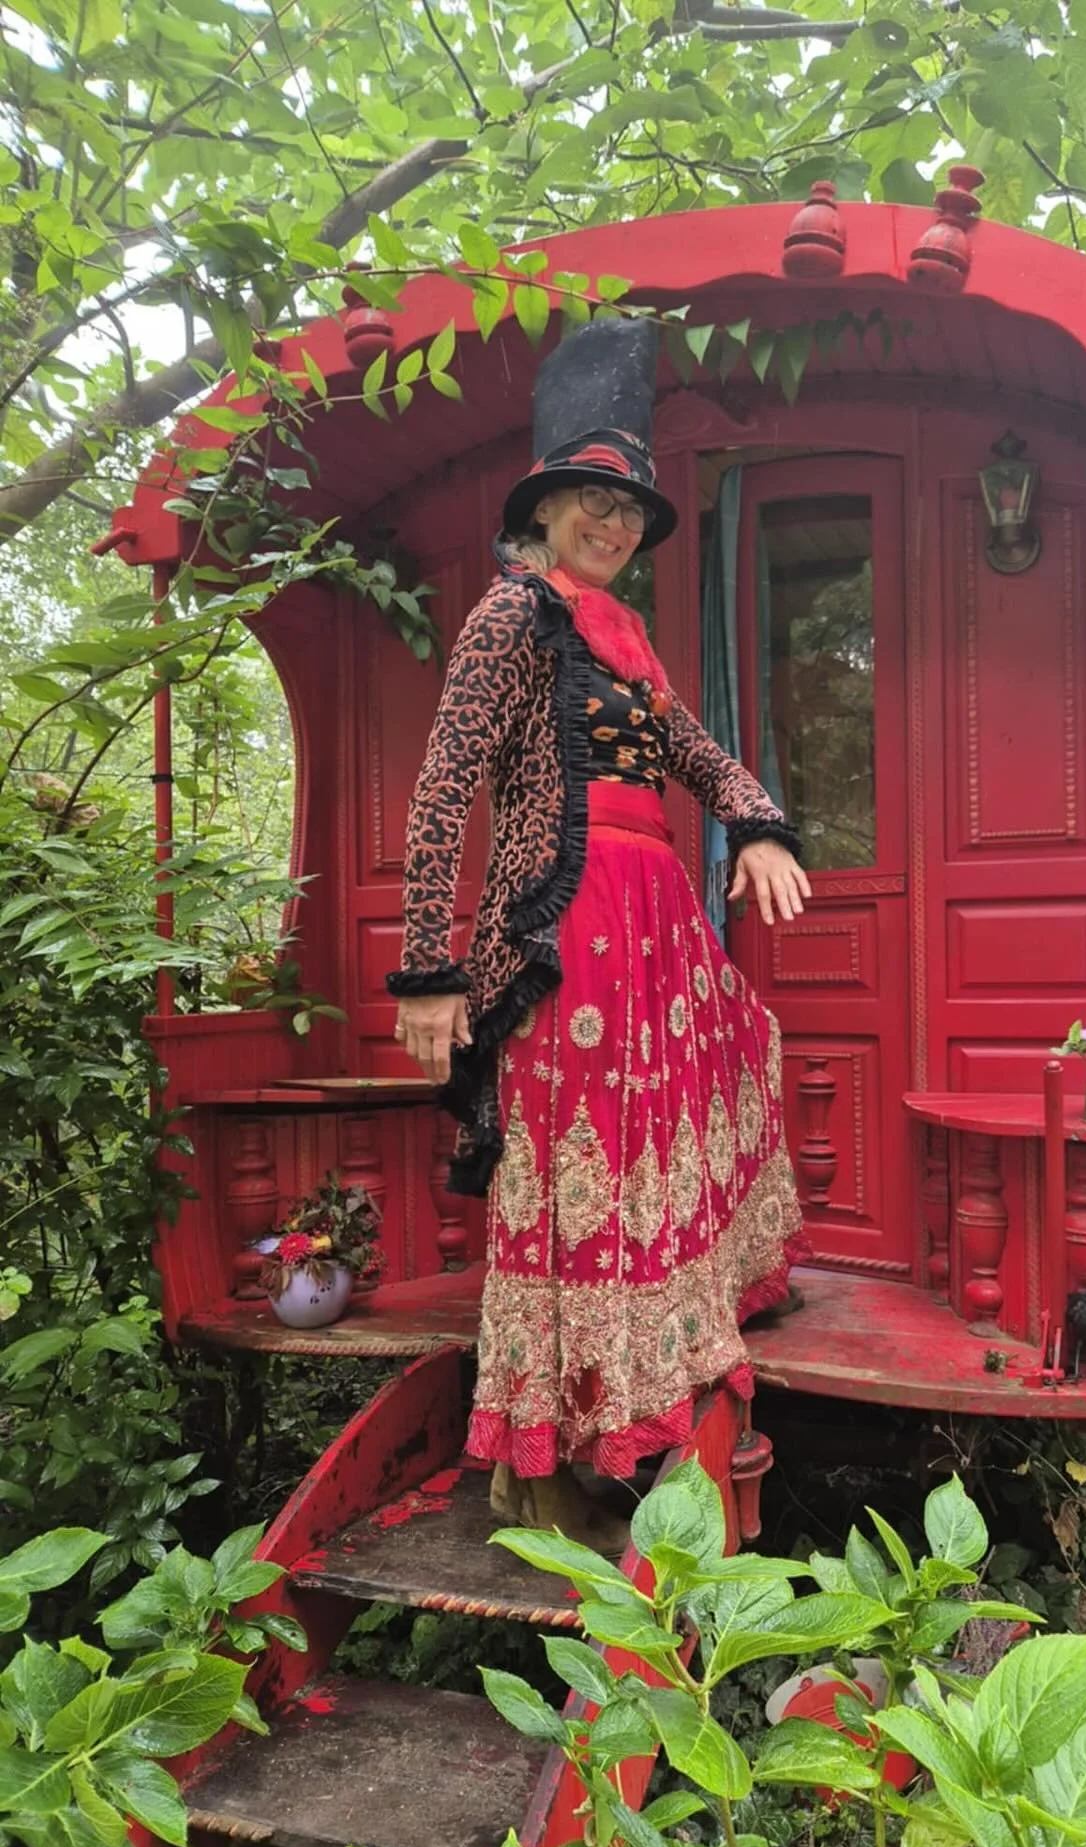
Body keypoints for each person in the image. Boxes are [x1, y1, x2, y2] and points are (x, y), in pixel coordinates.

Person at [388, 318, 810, 1549]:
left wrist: (763, 824)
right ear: (545, 511)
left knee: (703, 1084)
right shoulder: (509, 620)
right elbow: (441, 789)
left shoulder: (627, 641)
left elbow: (691, 751)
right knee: (571, 1157)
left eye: (627, 508)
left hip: (660, 921)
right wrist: (428, 967)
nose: (614, 526)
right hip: (563, 930)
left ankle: (666, 1344)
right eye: (591, 502)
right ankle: (552, 1444)